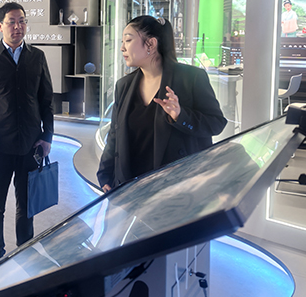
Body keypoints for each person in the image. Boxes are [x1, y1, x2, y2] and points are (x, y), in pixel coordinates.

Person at [97, 16, 226, 192]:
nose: (122, 48)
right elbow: (115, 134)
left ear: (151, 44)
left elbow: (216, 124)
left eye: (128, 40)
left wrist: (181, 116)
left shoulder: (191, 78)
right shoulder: (124, 85)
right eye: (122, 42)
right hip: (130, 189)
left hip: (176, 191)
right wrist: (105, 173)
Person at [0, 2, 54, 266]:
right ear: (0, 26)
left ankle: (25, 248)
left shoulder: (37, 57)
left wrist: (47, 136)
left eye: (22, 21)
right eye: (11, 22)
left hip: (30, 143)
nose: (18, 27)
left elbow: (46, 100)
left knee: (27, 203)